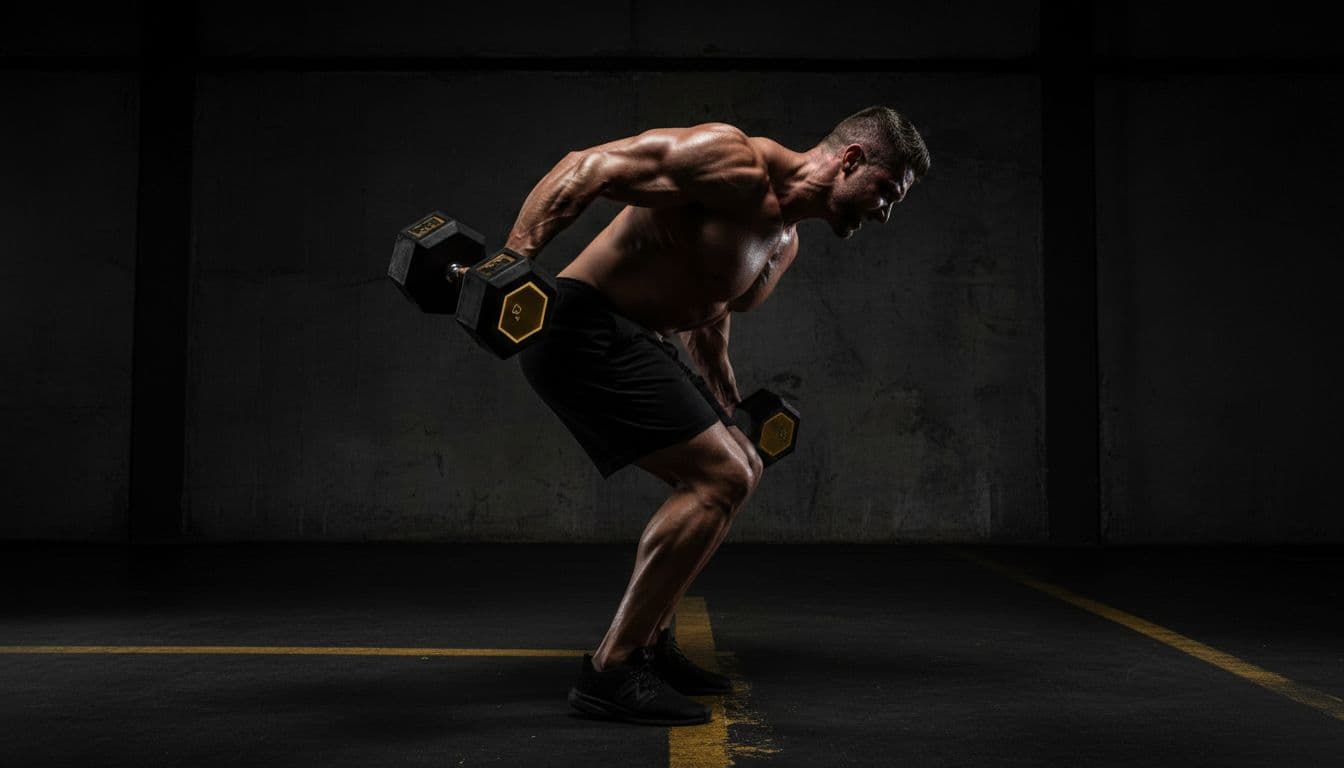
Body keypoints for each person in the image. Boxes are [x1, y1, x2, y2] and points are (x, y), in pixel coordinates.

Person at [509, 106, 930, 726]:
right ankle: (612, 671)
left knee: (742, 462)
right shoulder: (734, 161)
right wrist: (511, 265)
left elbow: (707, 312)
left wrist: (726, 403)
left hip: (637, 338)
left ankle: (648, 646)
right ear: (851, 160)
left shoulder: (782, 244)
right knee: (722, 477)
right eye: (886, 193)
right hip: (581, 324)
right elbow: (588, 167)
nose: (884, 213)